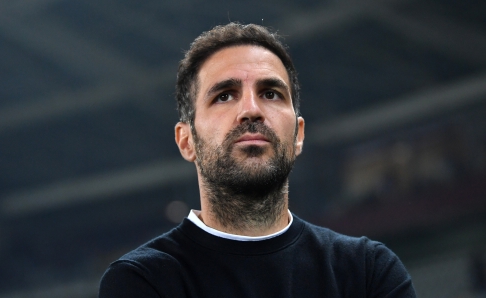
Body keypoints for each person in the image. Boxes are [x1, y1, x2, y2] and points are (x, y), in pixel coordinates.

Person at [99, 22, 416, 297]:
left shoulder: (368, 270)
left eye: (270, 93)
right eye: (224, 95)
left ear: (299, 135)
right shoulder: (142, 280)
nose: (251, 109)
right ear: (186, 141)